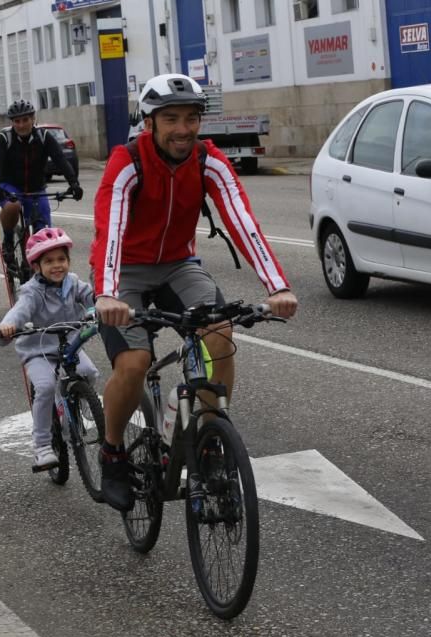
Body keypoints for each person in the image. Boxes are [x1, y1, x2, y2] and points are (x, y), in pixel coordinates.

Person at [90, 73, 299, 512]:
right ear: (150, 123)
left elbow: (242, 220)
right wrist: (108, 292)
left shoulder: (208, 160)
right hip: (125, 269)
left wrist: (276, 285)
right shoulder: (127, 161)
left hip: (178, 265)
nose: (183, 129)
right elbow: (111, 228)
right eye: (171, 119)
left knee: (220, 333)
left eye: (191, 118)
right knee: (135, 361)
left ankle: (207, 440)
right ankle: (111, 452)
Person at [0, 228, 98, 471]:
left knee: (90, 373)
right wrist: (7, 326)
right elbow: (19, 311)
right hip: (38, 350)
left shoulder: (73, 283)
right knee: (46, 386)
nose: (57, 266)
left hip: (69, 345)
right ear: (37, 267)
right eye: (49, 261)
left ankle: (73, 411)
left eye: (61, 259)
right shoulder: (32, 291)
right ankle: (42, 446)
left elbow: (92, 297)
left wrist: (100, 305)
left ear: (69, 261)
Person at [0, 99, 83, 266]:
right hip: (9, 186)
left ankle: (36, 270)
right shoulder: (4, 138)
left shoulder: (44, 137)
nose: (22, 125)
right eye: (17, 121)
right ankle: (8, 241)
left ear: (33, 119)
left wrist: (74, 183)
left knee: (45, 234)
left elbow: (60, 160)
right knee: (13, 206)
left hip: (36, 188)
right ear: (12, 123)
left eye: (25, 120)